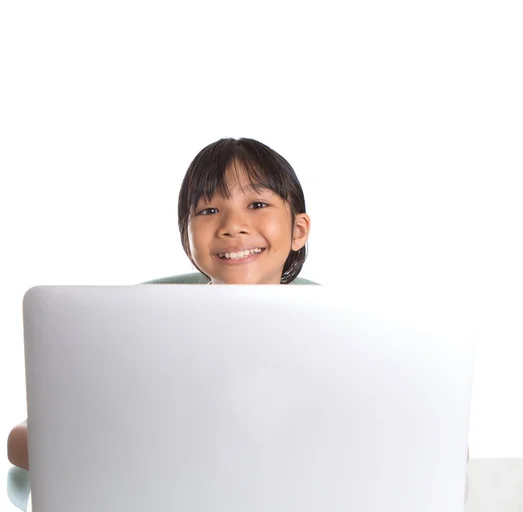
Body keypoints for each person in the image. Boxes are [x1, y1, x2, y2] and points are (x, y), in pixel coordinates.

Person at [6, 137, 313, 470]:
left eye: (257, 204)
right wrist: (125, 447)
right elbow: (21, 440)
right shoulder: (138, 329)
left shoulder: (334, 335)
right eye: (209, 210)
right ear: (186, 239)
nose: (232, 226)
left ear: (298, 229)